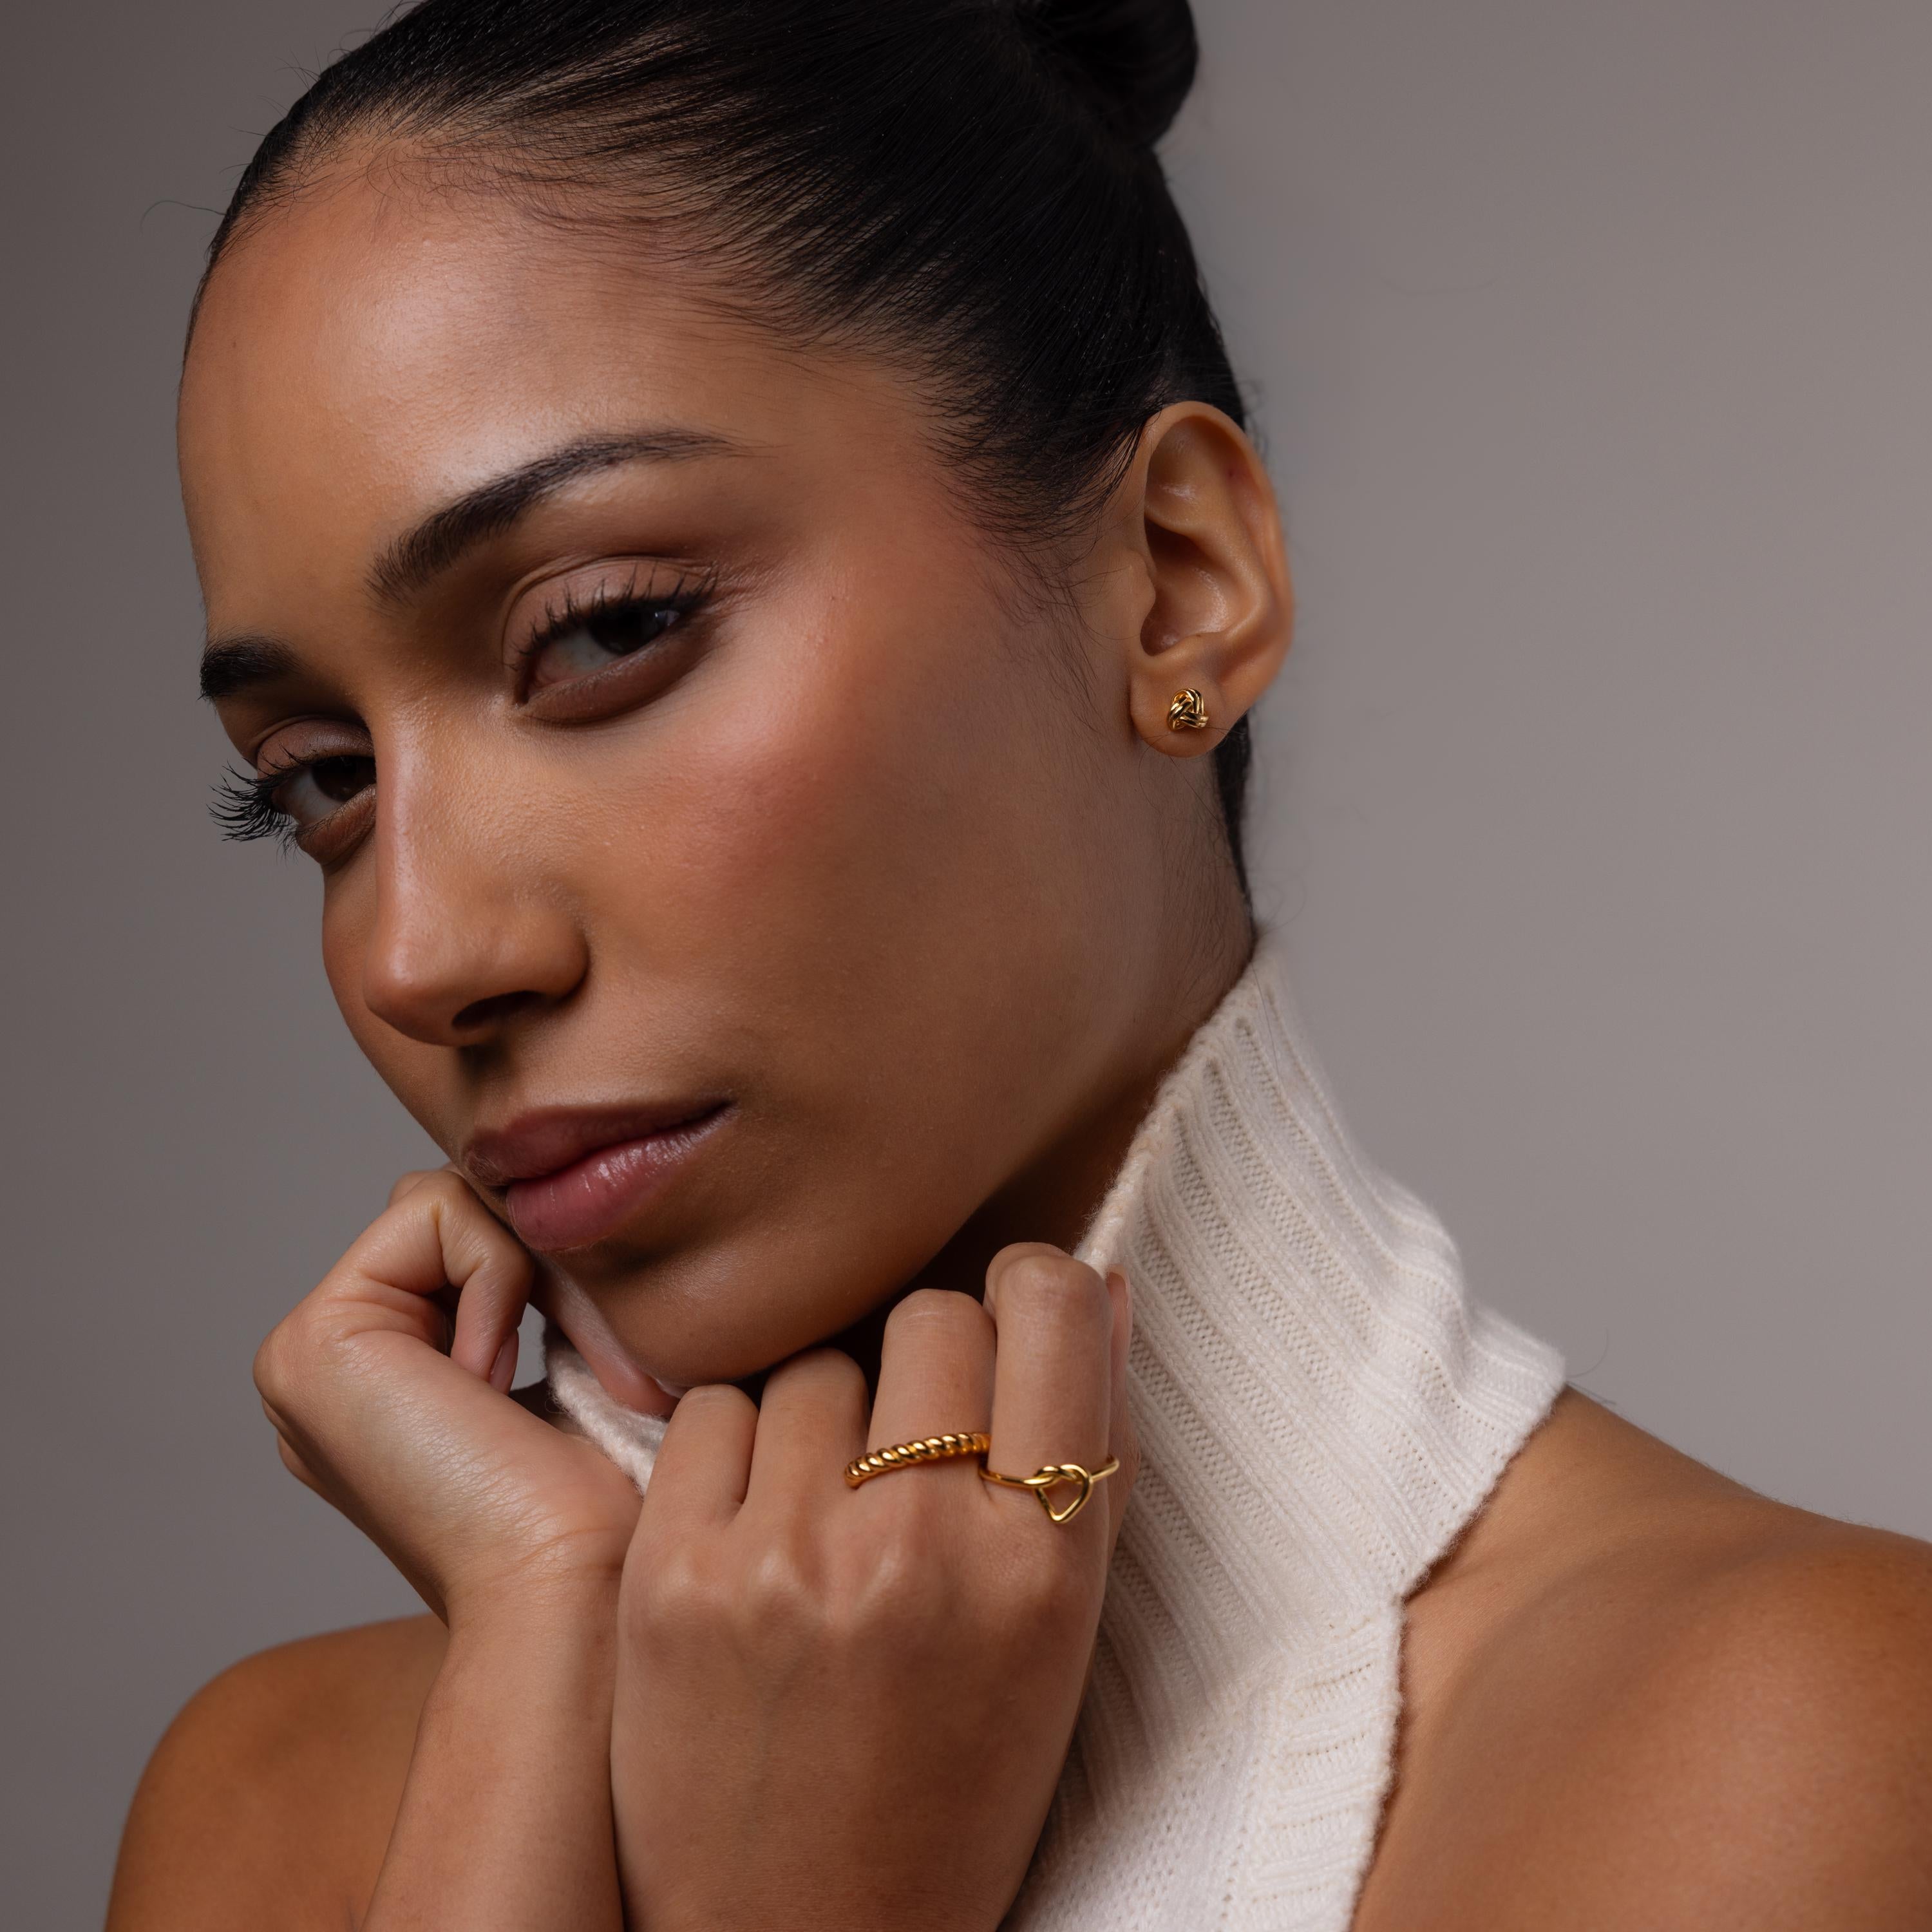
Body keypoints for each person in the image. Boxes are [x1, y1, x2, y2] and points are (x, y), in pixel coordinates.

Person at [108, 2, 1932, 1927]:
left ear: (1173, 577)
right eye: (318, 784)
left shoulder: (1798, 1751)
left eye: (603, 630)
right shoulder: (276, 1814)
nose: (417, 951)